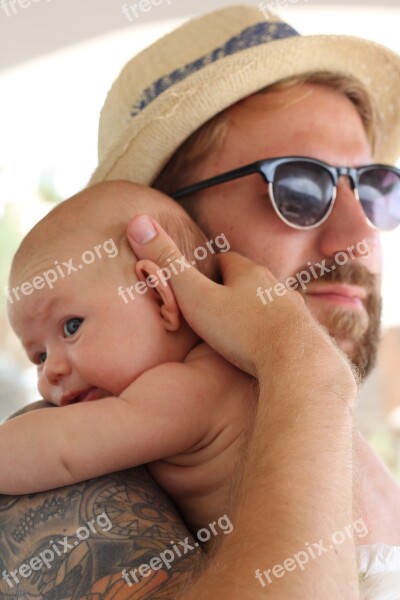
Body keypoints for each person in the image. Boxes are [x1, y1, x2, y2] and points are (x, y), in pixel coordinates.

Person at [2, 5, 400, 599]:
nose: (361, 235)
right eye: (297, 186)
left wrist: (302, 372)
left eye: (375, 188)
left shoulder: (320, 418)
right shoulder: (75, 466)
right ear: (163, 244)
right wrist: (302, 364)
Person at [3, 179, 256, 536]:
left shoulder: (193, 388)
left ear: (156, 294)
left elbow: (65, 448)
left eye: (71, 326)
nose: (52, 372)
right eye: (39, 356)